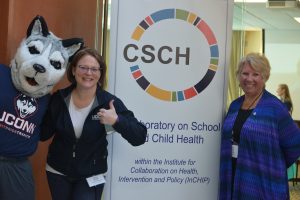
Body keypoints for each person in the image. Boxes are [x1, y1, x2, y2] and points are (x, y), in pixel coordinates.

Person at [40, 48, 147, 200]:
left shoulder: (109, 103)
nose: (88, 73)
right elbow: (43, 133)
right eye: (83, 67)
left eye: (94, 69)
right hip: (57, 172)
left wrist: (117, 121)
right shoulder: (59, 98)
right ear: (74, 70)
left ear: (100, 73)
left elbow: (140, 136)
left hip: (92, 176)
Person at [219, 53, 300, 200]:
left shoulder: (274, 108)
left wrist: (272, 164)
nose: (249, 79)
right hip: (232, 176)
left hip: (262, 184)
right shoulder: (234, 105)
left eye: (255, 74)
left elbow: (295, 144)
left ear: (264, 77)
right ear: (238, 76)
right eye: (245, 73)